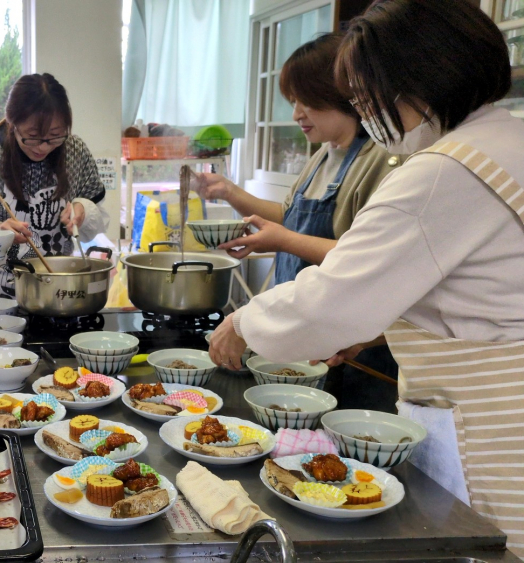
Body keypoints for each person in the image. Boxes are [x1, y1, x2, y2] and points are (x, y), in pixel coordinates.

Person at [209, 0, 523, 554]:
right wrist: (378, 327)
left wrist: (244, 323)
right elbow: (481, 294)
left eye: (361, 94)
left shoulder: (443, 170)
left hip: (495, 427)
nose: (362, 108)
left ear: (411, 79)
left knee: (483, 545)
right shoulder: (505, 142)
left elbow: (332, 300)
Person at [197, 33, 402, 408]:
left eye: (304, 100)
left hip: (354, 351)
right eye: (292, 102)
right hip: (306, 334)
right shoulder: (323, 155)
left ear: (337, 93)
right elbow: (290, 219)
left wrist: (283, 241)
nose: (296, 114)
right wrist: (229, 193)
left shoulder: (381, 160)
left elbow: (367, 258)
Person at [0, 73, 110, 298]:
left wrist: (84, 211)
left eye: (54, 136)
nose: (43, 147)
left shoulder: (75, 151)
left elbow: (99, 220)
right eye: (32, 136)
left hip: (58, 292)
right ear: (13, 123)